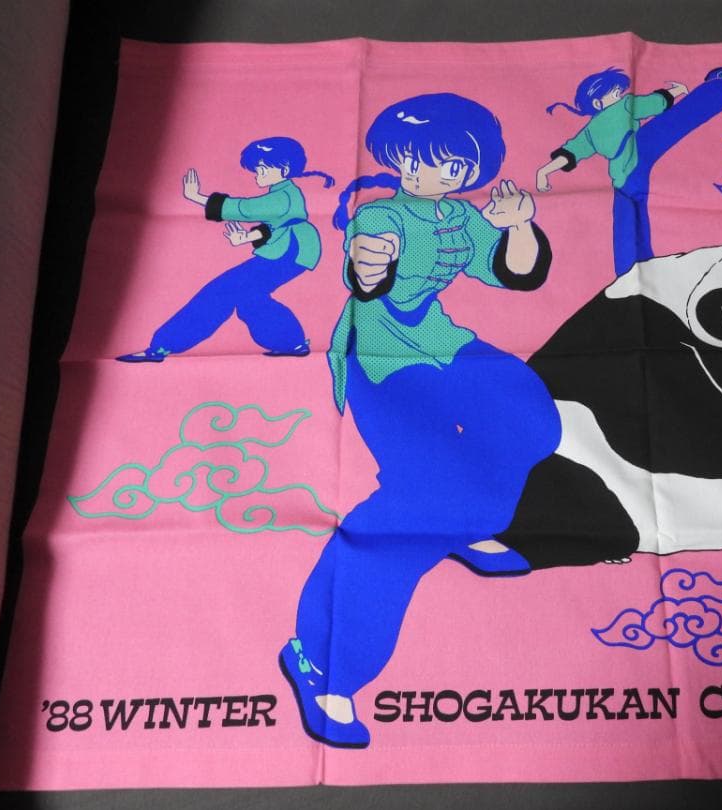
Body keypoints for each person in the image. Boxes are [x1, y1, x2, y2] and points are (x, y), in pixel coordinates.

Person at [279, 93, 561, 748]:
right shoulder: (381, 215)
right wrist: (370, 264)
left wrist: (520, 227)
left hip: (438, 341)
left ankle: (468, 522)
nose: (425, 173)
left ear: (469, 169)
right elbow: (367, 274)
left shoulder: (461, 217)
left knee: (530, 420)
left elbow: (516, 273)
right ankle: (321, 663)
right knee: (418, 495)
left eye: (446, 163)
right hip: (380, 358)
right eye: (414, 160)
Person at [117, 137, 333, 362]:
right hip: (291, 248)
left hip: (291, 250)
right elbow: (274, 225)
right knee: (249, 298)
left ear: (284, 169)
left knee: (222, 290)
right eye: (256, 169)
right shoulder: (284, 194)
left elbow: (246, 209)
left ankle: (162, 346)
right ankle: (291, 343)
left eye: (261, 169)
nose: (256, 174)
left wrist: (197, 197)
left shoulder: (283, 195)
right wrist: (247, 237)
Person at [536, 63, 722, 276]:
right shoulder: (621, 108)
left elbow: (571, 152)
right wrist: (675, 91)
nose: (620, 95)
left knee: (625, 226)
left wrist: (544, 171)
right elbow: (654, 104)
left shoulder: (591, 130)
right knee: (676, 121)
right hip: (630, 167)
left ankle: (630, 275)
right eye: (615, 93)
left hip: (627, 167)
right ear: (597, 102)